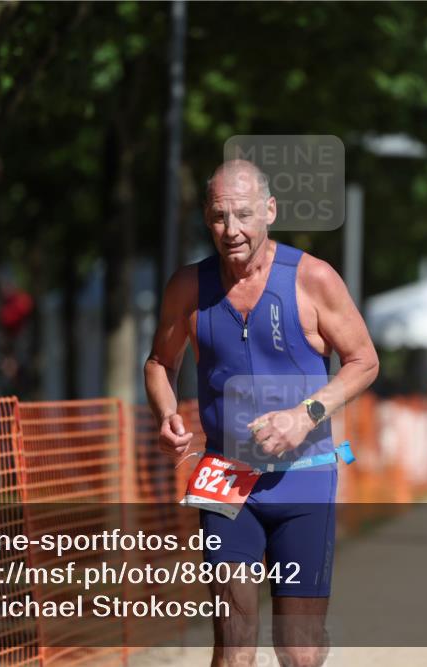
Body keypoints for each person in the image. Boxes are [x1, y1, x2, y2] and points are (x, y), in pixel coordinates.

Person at [144, 159, 379, 667]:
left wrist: (307, 413)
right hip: (226, 476)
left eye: (244, 215)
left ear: (269, 211)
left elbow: (364, 361)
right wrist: (166, 414)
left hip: (305, 479)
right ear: (207, 219)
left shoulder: (312, 278)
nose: (232, 231)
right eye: (220, 217)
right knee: (233, 641)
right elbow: (160, 363)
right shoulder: (189, 286)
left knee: (297, 649)